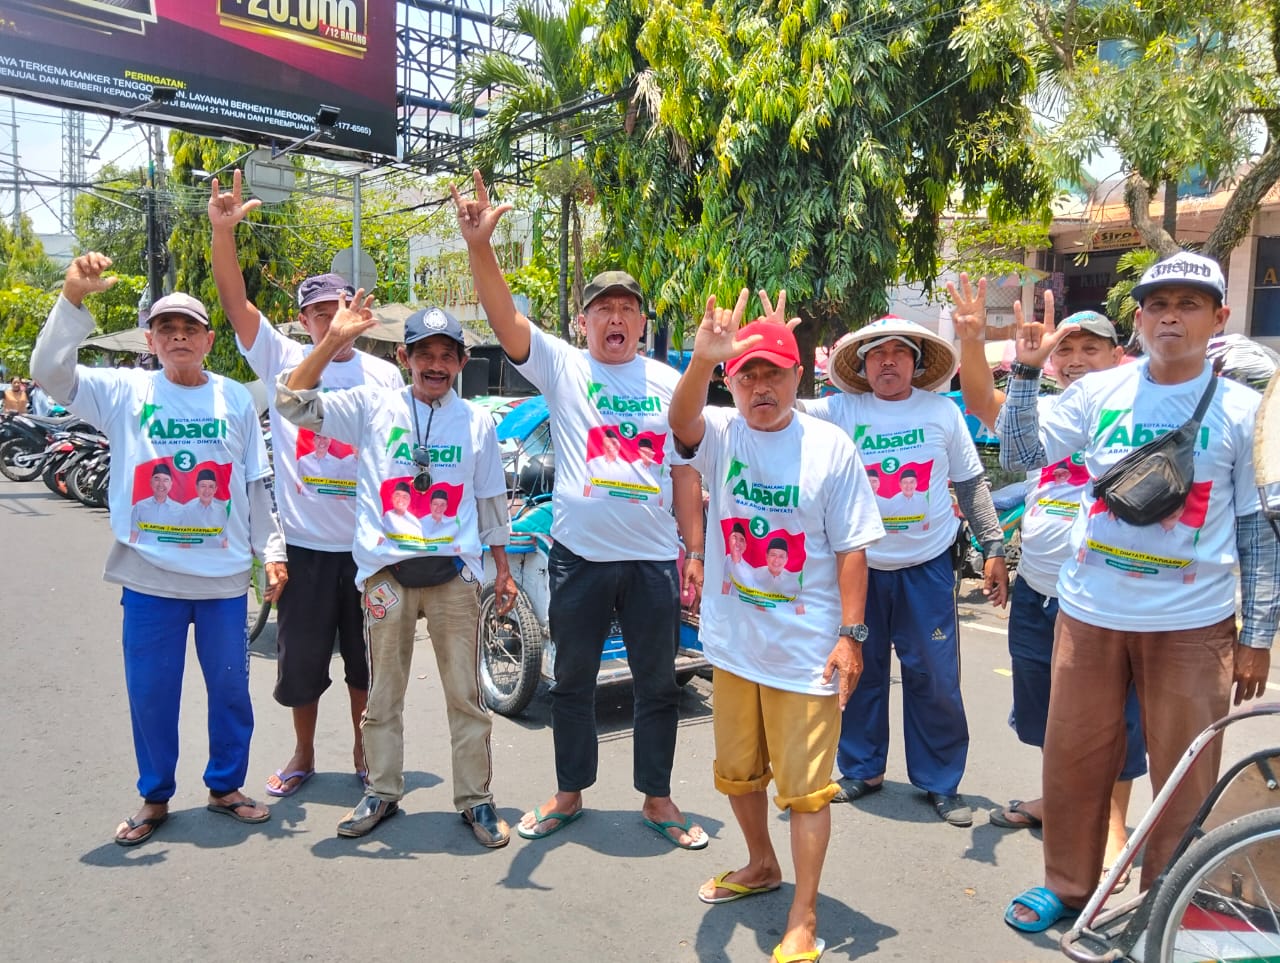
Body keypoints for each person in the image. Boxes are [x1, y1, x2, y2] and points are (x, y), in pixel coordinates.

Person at [995, 251, 1280, 932]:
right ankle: (1066, 886)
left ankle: (1165, 896)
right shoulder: (1100, 393)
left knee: (1185, 772)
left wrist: (1258, 635)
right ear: (1140, 319)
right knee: (1073, 760)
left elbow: (1257, 531)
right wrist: (1028, 375)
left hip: (1194, 621)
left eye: (1188, 304)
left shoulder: (1246, 411)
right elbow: (1019, 455)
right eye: (1158, 304)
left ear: (1219, 317)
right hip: (1089, 612)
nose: (1171, 316)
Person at [453, 171, 709, 849]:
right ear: (583, 321)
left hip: (654, 560)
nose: (616, 319)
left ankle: (657, 797)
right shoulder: (564, 366)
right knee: (573, 681)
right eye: (603, 309)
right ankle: (569, 792)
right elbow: (505, 320)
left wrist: (697, 554)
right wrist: (482, 248)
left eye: (628, 309)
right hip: (579, 559)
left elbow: (686, 474)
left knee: (658, 685)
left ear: (643, 324)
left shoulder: (668, 383)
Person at [31, 252, 287, 846]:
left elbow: (254, 485)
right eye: (166, 328)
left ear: (207, 339)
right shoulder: (122, 391)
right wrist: (72, 302)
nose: (178, 337)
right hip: (148, 577)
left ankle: (225, 787)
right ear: (151, 339)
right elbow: (48, 371)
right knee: (152, 694)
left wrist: (271, 551)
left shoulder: (234, 401)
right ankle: (155, 796)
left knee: (229, 688)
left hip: (222, 580)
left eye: (189, 328)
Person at [669, 288, 883, 963]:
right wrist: (704, 359)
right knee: (738, 773)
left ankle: (804, 910)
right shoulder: (723, 433)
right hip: (734, 645)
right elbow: (679, 427)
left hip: (805, 654)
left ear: (799, 377)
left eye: (775, 373)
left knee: (807, 790)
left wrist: (851, 636)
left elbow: (854, 547)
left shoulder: (829, 447)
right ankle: (761, 861)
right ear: (731, 382)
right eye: (748, 373)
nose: (762, 386)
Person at [275, 298, 518, 847]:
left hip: (454, 575)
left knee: (466, 695)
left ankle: (476, 800)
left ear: (461, 362)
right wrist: (333, 341)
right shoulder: (369, 405)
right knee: (384, 694)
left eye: (446, 355)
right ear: (406, 358)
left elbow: (489, 501)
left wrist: (501, 570)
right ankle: (381, 791)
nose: (435, 365)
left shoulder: (477, 421)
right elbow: (292, 402)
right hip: (386, 575)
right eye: (424, 354)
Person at [210, 170, 405, 799]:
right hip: (303, 547)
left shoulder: (383, 378)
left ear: (360, 311)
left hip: (370, 551)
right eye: (318, 313)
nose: (329, 321)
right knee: (300, 664)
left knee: (366, 663)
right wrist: (222, 235)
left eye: (339, 310)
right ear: (302, 319)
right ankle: (302, 753)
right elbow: (236, 303)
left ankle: (362, 752)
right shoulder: (280, 359)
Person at [950, 274, 1146, 884]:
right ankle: (1056, 801)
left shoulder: (1135, 411)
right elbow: (986, 407)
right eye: (1067, 349)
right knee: (1044, 711)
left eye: (1092, 349)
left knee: (1115, 713)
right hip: (1036, 589)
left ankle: (1112, 823)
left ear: (1118, 356)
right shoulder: (1045, 409)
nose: (1078, 360)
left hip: (1104, 597)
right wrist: (975, 342)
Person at [806, 315, 1009, 827]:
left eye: (899, 353)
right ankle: (860, 768)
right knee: (859, 670)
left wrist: (994, 546)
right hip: (860, 570)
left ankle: (941, 781)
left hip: (927, 568)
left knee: (934, 678)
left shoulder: (942, 413)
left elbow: (971, 484)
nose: (888, 361)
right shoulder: (840, 410)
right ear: (862, 365)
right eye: (877, 354)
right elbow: (782, 406)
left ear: (917, 364)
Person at [181, 468, 230, 549]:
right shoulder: (187, 509)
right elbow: (184, 539)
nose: (207, 491)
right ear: (197, 487)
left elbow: (224, 539)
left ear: (215, 489)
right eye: (203, 486)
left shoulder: (221, 511)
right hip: (194, 556)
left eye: (211, 487)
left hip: (216, 556)